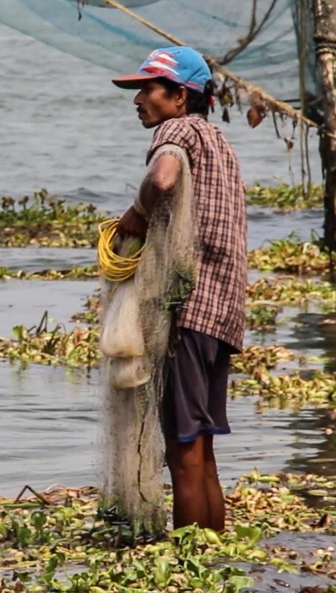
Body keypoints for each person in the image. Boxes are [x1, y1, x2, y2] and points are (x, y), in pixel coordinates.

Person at [111, 46, 247, 532]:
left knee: (182, 449)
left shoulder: (176, 131)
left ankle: (190, 564)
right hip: (224, 312)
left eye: (147, 89)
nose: (138, 99)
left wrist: (137, 215)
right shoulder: (218, 141)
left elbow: (163, 178)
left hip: (188, 310)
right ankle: (211, 554)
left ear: (180, 97)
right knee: (202, 448)